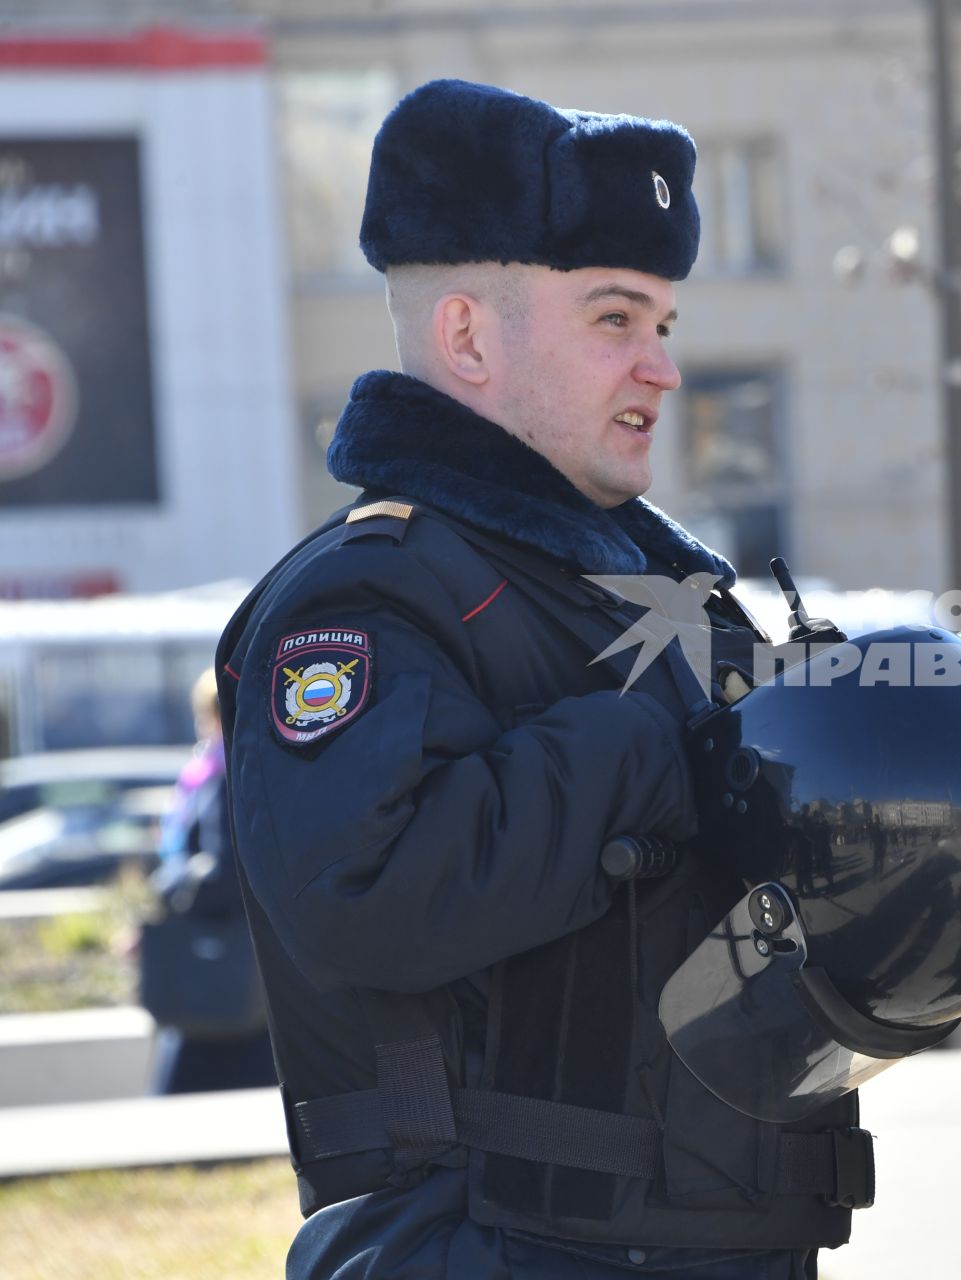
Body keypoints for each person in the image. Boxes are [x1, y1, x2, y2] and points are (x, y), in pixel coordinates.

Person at [215, 80, 869, 1280]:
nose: (662, 367)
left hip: (711, 1237)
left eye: (665, 323)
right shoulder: (370, 597)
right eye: (615, 318)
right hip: (479, 1246)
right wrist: (664, 750)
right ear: (466, 335)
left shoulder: (663, 595)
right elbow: (367, 894)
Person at [143, 666, 276, 1094]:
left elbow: (221, 873)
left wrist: (167, 885)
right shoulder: (249, 769)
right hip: (243, 960)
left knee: (179, 1092)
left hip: (218, 962)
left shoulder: (219, 777)